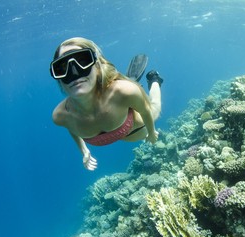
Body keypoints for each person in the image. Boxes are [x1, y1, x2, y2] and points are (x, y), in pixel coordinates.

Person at [50, 37, 163, 171]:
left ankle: (154, 80)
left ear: (97, 66)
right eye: (62, 68)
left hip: (135, 128)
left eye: (82, 61)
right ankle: (131, 81)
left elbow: (145, 111)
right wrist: (84, 150)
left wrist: (151, 131)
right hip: (122, 104)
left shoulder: (125, 91)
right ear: (59, 79)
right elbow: (72, 126)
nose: (74, 73)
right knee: (128, 90)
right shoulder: (61, 116)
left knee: (154, 106)